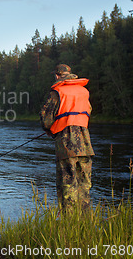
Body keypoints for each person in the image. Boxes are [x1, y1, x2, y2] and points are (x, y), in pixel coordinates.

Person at [40, 64, 95, 211]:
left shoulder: (57, 92)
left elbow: (46, 119)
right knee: (84, 185)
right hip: (85, 143)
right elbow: (88, 111)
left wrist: (50, 130)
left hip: (66, 144)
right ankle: (84, 222)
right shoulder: (84, 91)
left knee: (67, 185)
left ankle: (69, 224)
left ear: (58, 75)